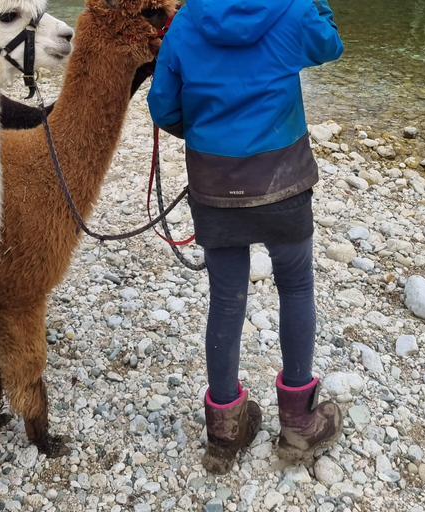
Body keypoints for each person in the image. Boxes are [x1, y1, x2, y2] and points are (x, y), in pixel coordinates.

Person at [147, 0, 345, 474]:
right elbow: (330, 44)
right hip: (284, 184)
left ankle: (225, 429)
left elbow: (162, 107)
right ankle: (299, 421)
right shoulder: (293, 10)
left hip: (215, 189)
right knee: (296, 287)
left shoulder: (187, 22)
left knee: (227, 298)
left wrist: (205, 130)